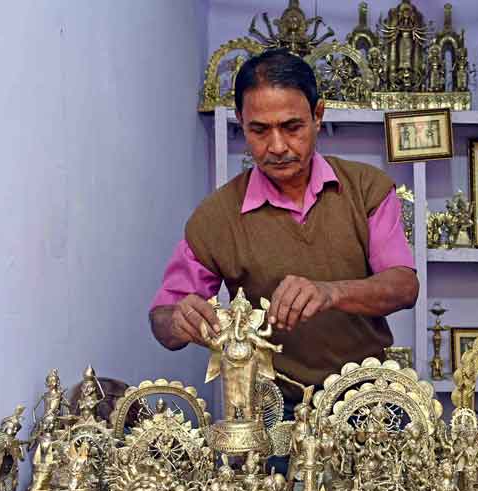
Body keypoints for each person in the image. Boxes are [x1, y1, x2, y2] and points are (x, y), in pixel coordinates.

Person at [149, 48, 418, 413]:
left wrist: (330, 293)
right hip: (271, 411)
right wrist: (180, 320)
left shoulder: (366, 189)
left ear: (317, 116)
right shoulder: (216, 218)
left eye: (292, 127)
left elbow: (403, 287)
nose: (277, 147)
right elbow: (162, 319)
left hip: (365, 400)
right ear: (241, 123)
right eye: (259, 130)